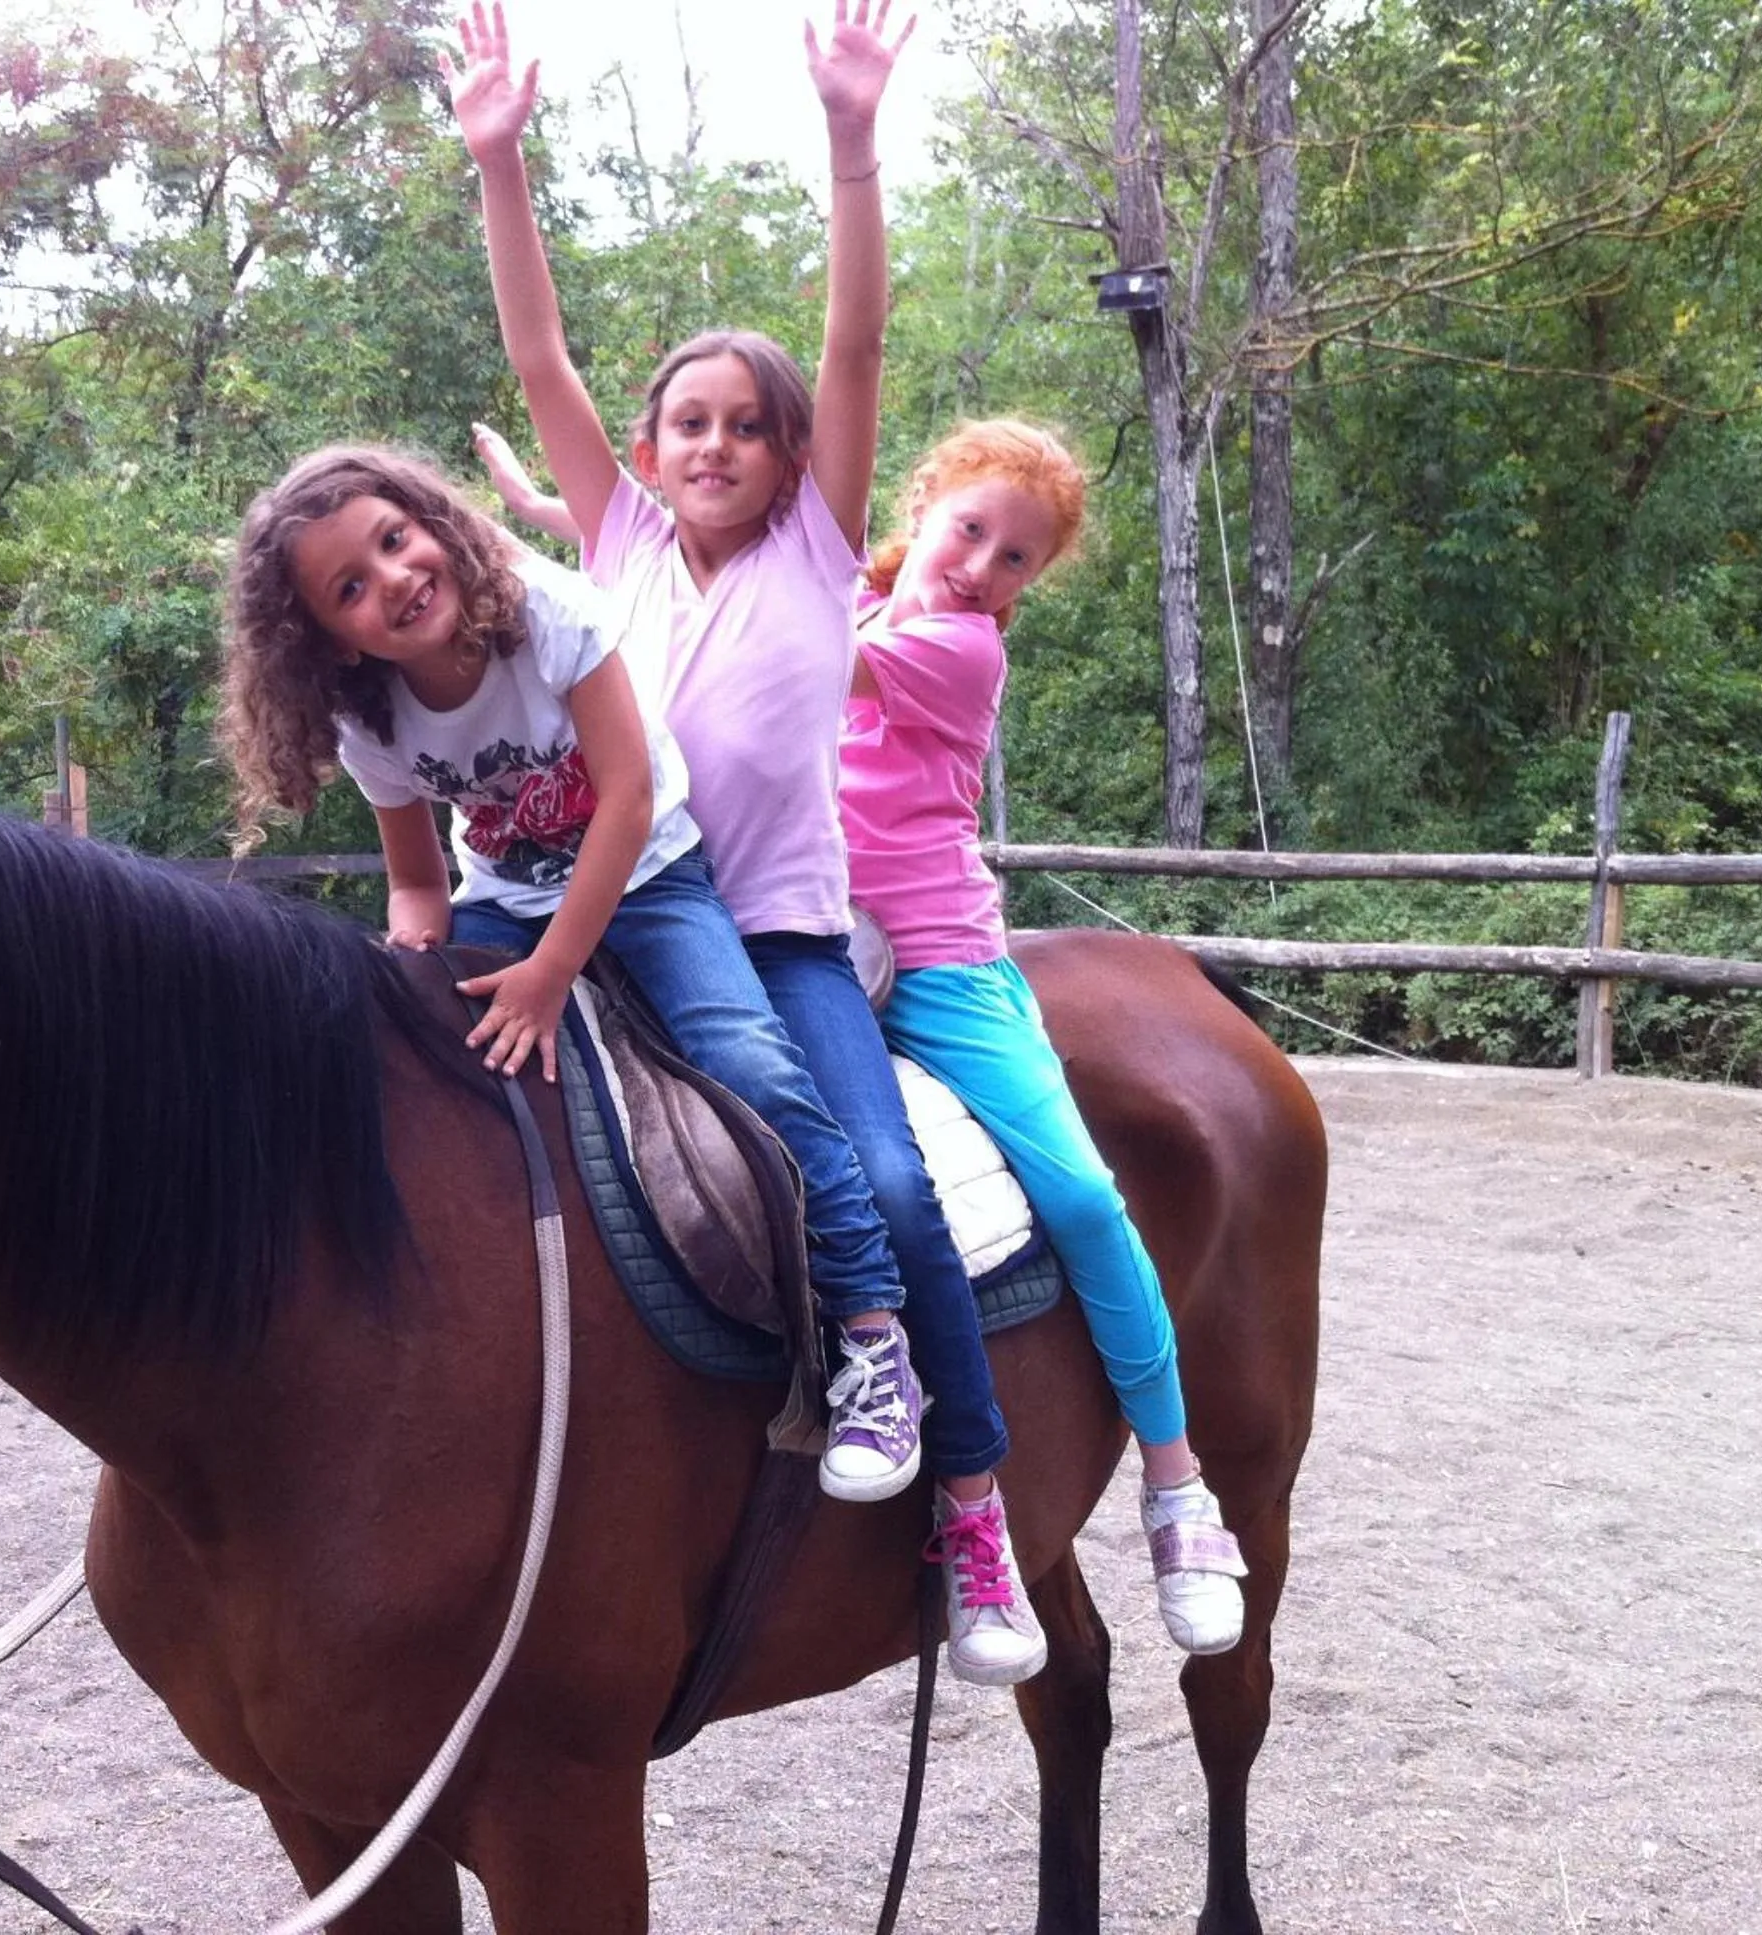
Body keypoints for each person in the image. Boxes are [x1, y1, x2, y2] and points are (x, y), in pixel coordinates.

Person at [448, 1, 1051, 1686]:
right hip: (592, 903)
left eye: (744, 424)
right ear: (643, 456)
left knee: (879, 1182)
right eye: (686, 422)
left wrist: (853, 143)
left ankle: (973, 1505)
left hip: (774, 937)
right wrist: (499, 161)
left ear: (792, 457)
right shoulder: (618, 545)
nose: (711, 443)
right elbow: (540, 364)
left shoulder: (816, 552)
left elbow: (853, 344)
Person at [219, 444, 936, 1492]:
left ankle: (872, 1332)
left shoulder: (546, 612)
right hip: (505, 897)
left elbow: (630, 796)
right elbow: (418, 885)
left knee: (750, 1060)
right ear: (323, 636)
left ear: (432, 519)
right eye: (350, 589)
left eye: (394, 539)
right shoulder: (369, 718)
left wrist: (553, 972)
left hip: (649, 876)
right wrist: (406, 968)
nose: (394, 580)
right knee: (398, 1069)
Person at [843, 418, 1247, 1654]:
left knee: (1080, 1201)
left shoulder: (953, 652)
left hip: (945, 974)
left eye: (1016, 558)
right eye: (970, 530)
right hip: (812, 955)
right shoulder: (857, 606)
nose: (981, 565)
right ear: (926, 505)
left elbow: (769, 647)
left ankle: (1178, 1486)